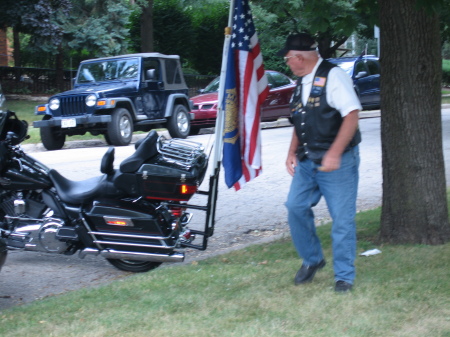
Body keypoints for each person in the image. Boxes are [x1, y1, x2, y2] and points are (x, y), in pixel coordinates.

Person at [279, 33, 362, 292]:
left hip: (338, 161)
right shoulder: (301, 81)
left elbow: (352, 115)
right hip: (308, 159)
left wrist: (335, 153)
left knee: (342, 219)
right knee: (295, 206)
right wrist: (291, 152)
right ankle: (312, 259)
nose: (287, 63)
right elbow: (300, 120)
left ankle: (344, 277)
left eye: (288, 59)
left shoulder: (334, 76)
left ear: (299, 57)